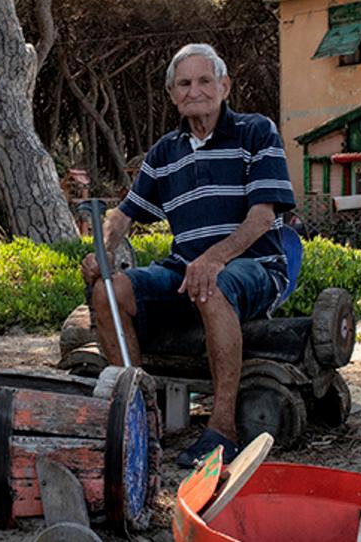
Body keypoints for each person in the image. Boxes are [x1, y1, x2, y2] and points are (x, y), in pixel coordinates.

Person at [81, 43, 296, 468]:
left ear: (224, 85)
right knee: (109, 292)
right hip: (185, 270)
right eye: (184, 83)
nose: (194, 90)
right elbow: (123, 216)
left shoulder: (256, 131)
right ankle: (140, 417)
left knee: (211, 282)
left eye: (204, 80)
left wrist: (215, 259)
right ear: (172, 95)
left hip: (255, 267)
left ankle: (221, 430)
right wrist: (101, 252)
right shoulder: (165, 151)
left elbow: (261, 218)